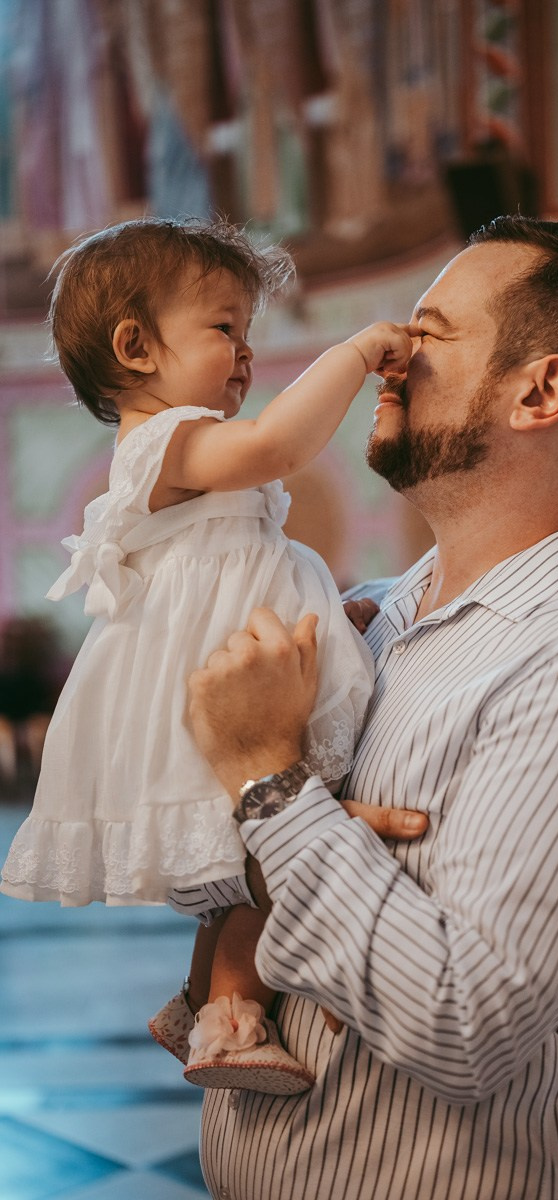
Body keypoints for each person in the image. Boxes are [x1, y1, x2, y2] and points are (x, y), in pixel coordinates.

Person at [185, 216, 558, 1200]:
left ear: (541, 391)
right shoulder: (369, 622)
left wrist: (268, 781)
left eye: (429, 335)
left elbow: (465, 1027)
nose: (389, 355)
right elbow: (263, 899)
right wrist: (271, 837)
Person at [0, 217, 416, 1096]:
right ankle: (229, 1020)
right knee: (260, 862)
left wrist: (330, 620)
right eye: (225, 327)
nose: (246, 352)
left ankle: (201, 996)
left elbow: (250, 559)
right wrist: (350, 354)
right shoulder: (163, 441)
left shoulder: (181, 441)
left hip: (233, 665)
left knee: (240, 863)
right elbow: (277, 447)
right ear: (135, 347)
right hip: (215, 694)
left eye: (249, 333)